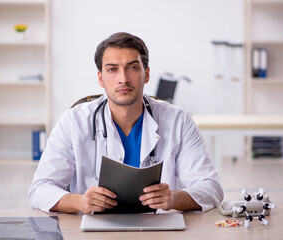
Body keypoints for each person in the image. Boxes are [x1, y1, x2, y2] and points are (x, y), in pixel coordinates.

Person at [28, 32, 223, 214]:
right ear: (100, 78)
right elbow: (40, 189)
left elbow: (211, 188)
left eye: (132, 67)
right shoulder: (74, 122)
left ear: (146, 74)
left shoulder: (179, 121)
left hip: (160, 229)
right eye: (112, 69)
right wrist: (79, 202)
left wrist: (173, 199)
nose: (123, 79)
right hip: (94, 230)